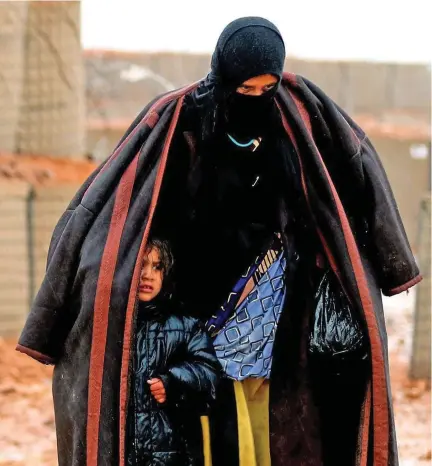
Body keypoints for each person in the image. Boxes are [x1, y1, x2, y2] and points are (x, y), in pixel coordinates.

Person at [17, 16, 421, 466]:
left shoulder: (297, 120)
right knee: (201, 414)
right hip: (196, 296)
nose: (253, 100)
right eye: (243, 90)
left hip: (268, 304)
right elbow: (107, 197)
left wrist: (387, 264)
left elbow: (356, 166)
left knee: (269, 417)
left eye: (265, 90)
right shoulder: (180, 121)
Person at [127, 238, 220, 466]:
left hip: (173, 454)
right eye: (142, 264)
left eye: (157, 267)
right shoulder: (113, 328)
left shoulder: (186, 326)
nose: (147, 275)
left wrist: (173, 383)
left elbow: (209, 374)